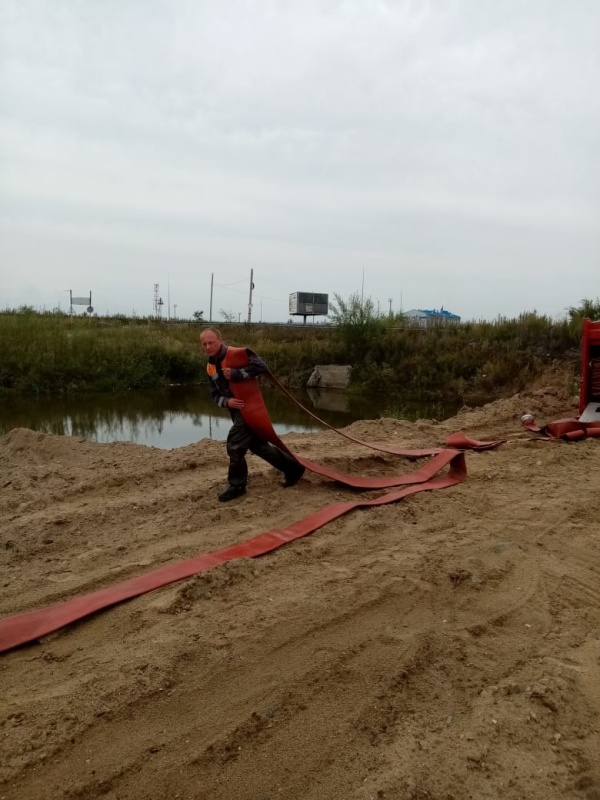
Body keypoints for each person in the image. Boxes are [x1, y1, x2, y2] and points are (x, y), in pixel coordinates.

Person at [200, 327, 305, 502]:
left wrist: (236, 374)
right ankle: (293, 468)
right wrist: (227, 402)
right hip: (236, 410)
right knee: (257, 446)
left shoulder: (235, 354)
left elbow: (261, 366)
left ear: (220, 339)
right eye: (204, 344)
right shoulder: (211, 366)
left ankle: (237, 485)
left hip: (249, 408)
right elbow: (214, 394)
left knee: (234, 445)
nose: (208, 346)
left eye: (211, 342)